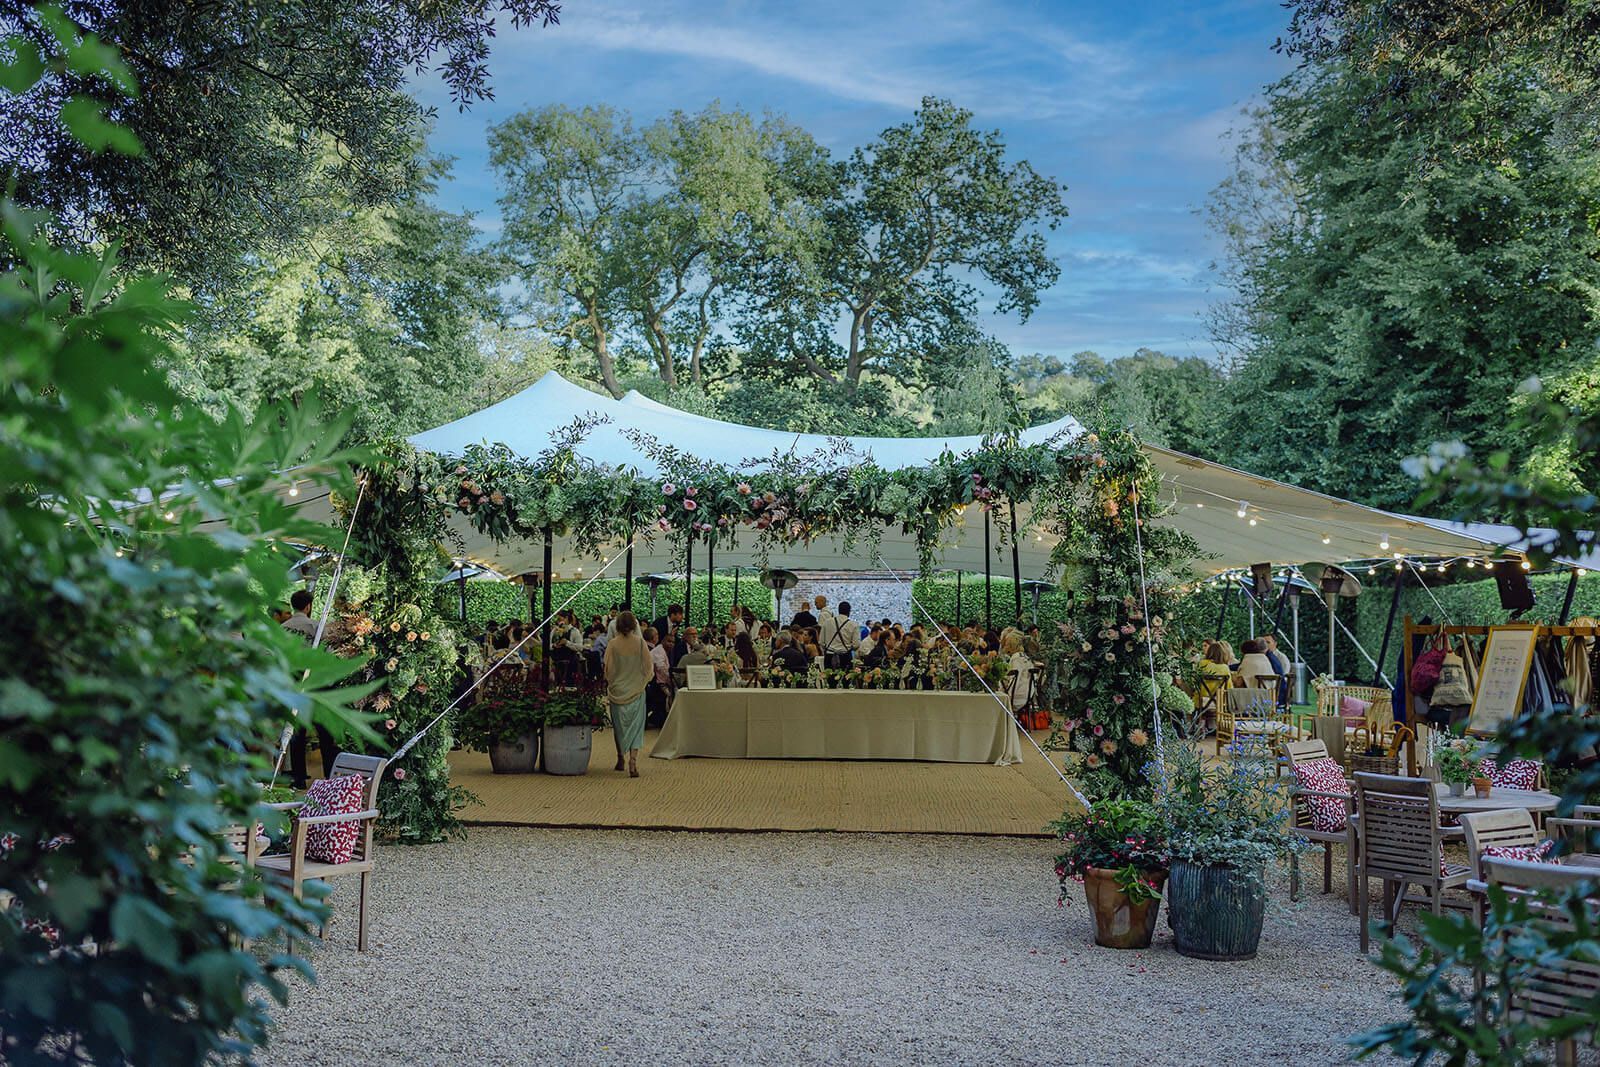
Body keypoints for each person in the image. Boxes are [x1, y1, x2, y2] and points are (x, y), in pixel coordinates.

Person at [281, 590, 339, 787]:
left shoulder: (283, 629)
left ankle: (298, 778)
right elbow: (330, 655)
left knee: (297, 733)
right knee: (324, 733)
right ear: (308, 607)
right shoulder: (316, 627)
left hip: (292, 684)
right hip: (317, 685)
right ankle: (329, 777)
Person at [603, 611, 653, 777]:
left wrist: (612, 681)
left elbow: (607, 668)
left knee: (620, 728)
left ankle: (620, 758)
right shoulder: (640, 643)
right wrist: (642, 681)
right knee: (636, 727)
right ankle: (633, 760)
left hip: (617, 691)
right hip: (637, 690)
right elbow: (649, 668)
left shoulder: (612, 644)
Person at [643, 626, 672, 728]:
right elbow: (660, 668)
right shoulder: (653, 650)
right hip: (651, 683)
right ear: (654, 637)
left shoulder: (644, 648)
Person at [1002, 631, 1035, 714]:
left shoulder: (1015, 658)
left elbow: (1014, 680)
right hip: (1028, 695)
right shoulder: (1025, 656)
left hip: (1016, 697)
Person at [818, 597, 854, 669]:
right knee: (845, 678)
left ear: (838, 610)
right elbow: (856, 644)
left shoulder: (827, 622)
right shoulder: (853, 624)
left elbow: (821, 642)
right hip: (845, 656)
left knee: (829, 678)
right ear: (849, 611)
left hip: (829, 656)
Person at [1262, 634, 1291, 707]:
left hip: (1277, 690)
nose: (1265, 645)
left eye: (1268, 642)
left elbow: (1283, 676)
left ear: (1275, 644)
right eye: (1264, 643)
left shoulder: (1282, 658)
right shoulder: (1261, 657)